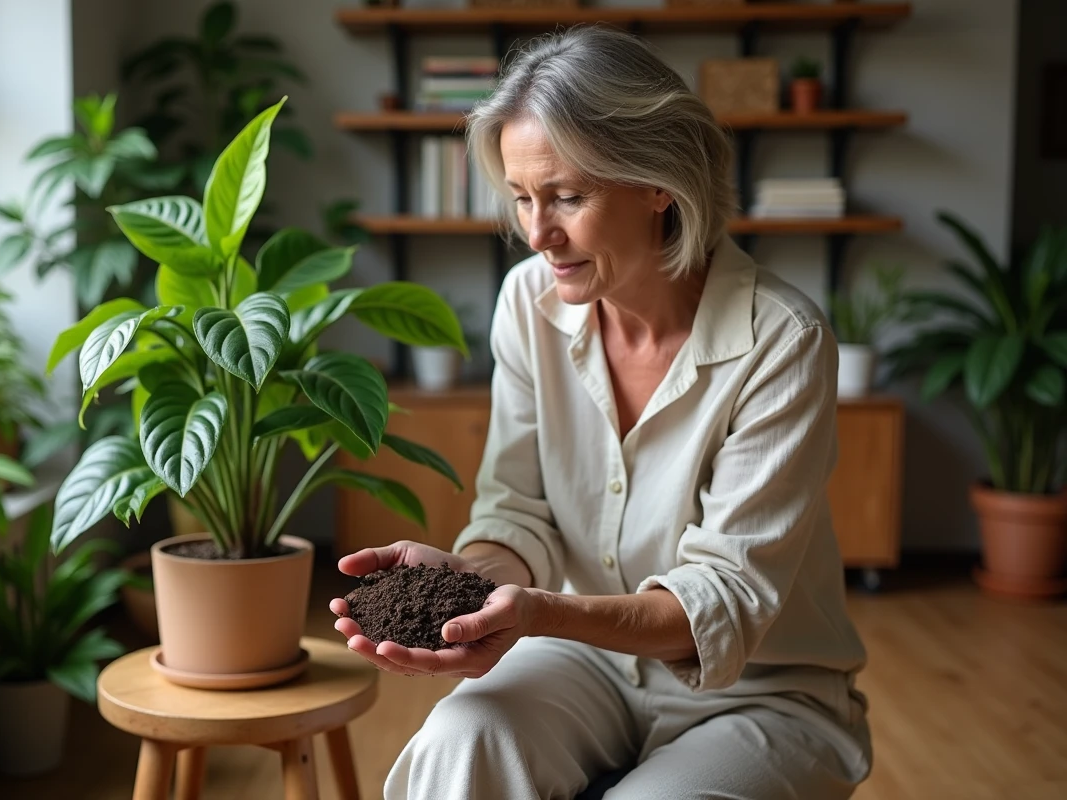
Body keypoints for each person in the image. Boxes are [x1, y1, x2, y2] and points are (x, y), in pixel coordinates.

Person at [329, 25, 871, 800]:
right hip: (582, 658)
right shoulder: (528, 304)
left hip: (763, 689)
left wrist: (541, 612)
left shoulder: (782, 342)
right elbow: (518, 509)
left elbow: (718, 601)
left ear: (660, 183)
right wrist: (473, 584)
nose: (538, 234)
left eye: (568, 197)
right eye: (521, 198)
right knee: (459, 740)